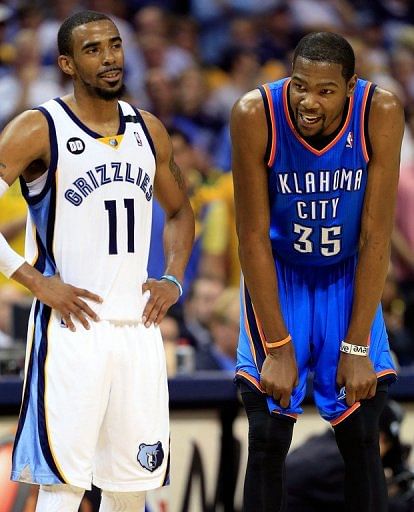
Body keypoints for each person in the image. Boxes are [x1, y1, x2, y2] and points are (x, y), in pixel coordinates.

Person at [0, 10, 194, 512]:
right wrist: (35, 282)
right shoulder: (38, 127)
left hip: (138, 330)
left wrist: (172, 276)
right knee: (62, 488)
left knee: (131, 488)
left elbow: (180, 213)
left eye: (114, 45)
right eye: (93, 49)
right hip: (72, 330)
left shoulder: (147, 129)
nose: (109, 57)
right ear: (67, 62)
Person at [232, 31, 404, 512]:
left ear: (350, 86)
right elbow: (251, 239)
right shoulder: (255, 114)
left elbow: (374, 237)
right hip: (279, 274)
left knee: (362, 430)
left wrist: (355, 347)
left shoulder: (380, 112)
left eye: (325, 90)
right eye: (300, 85)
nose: (308, 100)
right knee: (266, 434)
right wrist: (279, 348)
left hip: (348, 275)